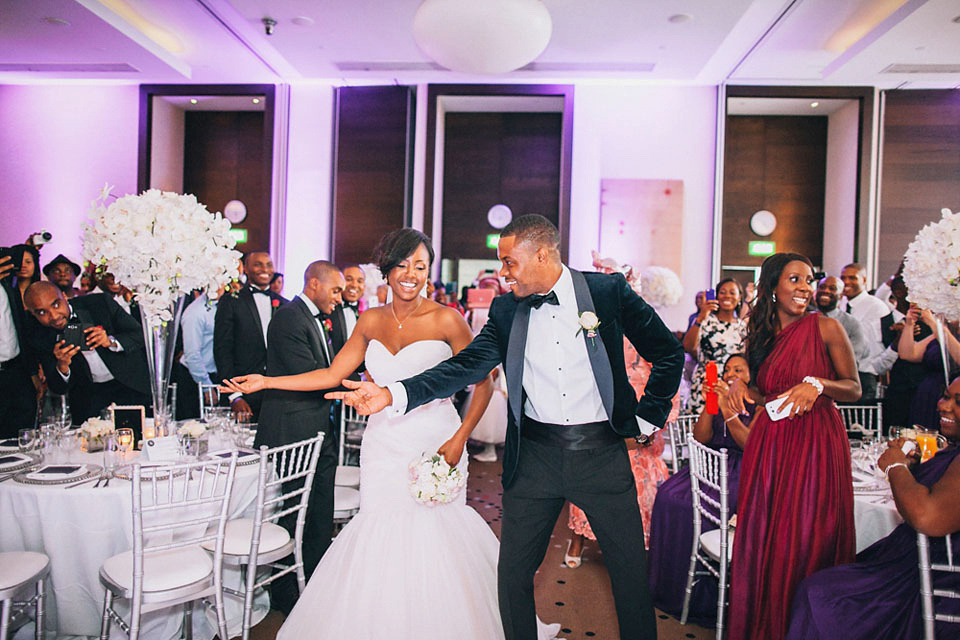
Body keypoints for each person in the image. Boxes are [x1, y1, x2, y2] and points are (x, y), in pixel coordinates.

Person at [329, 215, 685, 640]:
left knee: (629, 575)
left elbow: (668, 353)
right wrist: (394, 394)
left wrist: (645, 418)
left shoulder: (607, 293)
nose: (503, 273)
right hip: (535, 458)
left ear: (541, 254)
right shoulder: (506, 309)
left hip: (602, 455)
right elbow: (463, 367)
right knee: (512, 574)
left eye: (509, 263)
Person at [222, 229, 558, 640]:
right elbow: (331, 374)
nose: (411, 274)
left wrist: (460, 439)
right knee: (379, 529)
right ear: (387, 270)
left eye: (420, 266)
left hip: (436, 439)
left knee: (437, 532)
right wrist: (268, 383)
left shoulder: (447, 319)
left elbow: (485, 380)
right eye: (402, 265)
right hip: (382, 445)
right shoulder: (370, 320)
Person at [725, 252, 861, 640]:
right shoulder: (760, 335)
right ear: (772, 287)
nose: (805, 288)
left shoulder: (827, 328)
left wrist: (818, 384)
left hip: (816, 445)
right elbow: (764, 395)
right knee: (769, 540)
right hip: (771, 445)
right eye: (795, 280)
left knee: (806, 538)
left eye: (809, 280)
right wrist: (741, 387)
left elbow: (854, 387)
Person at [786, 376, 960, 639]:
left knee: (817, 594)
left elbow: (927, 515)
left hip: (928, 586)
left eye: (957, 401)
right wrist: (913, 470)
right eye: (945, 396)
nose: (943, 406)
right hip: (909, 564)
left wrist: (895, 467)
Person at [254, 261, 346, 616]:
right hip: (293, 432)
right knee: (296, 514)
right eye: (335, 290)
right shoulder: (290, 317)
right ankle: (285, 593)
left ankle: (314, 584)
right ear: (313, 284)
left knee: (319, 512)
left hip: (317, 429)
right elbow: (311, 375)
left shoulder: (312, 317)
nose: (339, 298)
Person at [648, 354, 754, 624]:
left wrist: (728, 410)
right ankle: (670, 586)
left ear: (751, 377)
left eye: (738, 369)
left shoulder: (757, 405)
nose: (730, 374)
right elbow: (700, 438)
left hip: (743, 467)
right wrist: (711, 405)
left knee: (700, 506)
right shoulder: (717, 400)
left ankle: (707, 595)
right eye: (727, 369)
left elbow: (751, 446)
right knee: (669, 496)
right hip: (709, 463)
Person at [23, 282, 151, 427]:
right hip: (89, 401)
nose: (53, 316)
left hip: (131, 385)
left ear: (64, 296)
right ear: (32, 313)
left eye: (56, 305)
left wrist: (110, 341)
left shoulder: (99, 303)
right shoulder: (39, 335)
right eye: (41, 312)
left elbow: (140, 335)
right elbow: (57, 387)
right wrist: (62, 365)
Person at [213, 251, 286, 422]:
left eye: (269, 265)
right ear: (245, 268)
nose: (264, 269)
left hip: (277, 395)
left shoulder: (284, 304)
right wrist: (235, 396)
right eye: (258, 264)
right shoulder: (231, 301)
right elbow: (222, 351)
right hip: (245, 393)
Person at [683, 278, 746, 416]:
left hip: (731, 387)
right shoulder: (706, 321)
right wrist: (701, 316)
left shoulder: (743, 327)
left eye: (732, 292)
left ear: (739, 297)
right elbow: (688, 347)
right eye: (722, 292)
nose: (727, 296)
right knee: (700, 432)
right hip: (706, 385)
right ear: (716, 296)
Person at [898, 307, 960, 429]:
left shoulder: (942, 332)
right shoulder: (940, 333)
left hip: (953, 397)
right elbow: (907, 354)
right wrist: (910, 323)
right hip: (928, 395)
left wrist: (933, 323)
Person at [841, 262, 893, 402]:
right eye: (843, 278)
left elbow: (886, 343)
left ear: (864, 280)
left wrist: (875, 368)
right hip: (840, 376)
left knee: (859, 422)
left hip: (864, 375)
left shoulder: (877, 307)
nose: (846, 282)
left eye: (852, 278)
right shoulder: (840, 305)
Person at [0, 253, 38, 438]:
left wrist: (32, 372)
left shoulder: (9, 285)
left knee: (23, 435)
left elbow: (21, 329)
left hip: (17, 371)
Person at [815, 275, 871, 370]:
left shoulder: (852, 324)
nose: (826, 291)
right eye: (822, 287)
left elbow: (851, 361)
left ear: (840, 295)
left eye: (832, 288)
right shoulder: (803, 319)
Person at [340, 265, 366, 338]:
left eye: (359, 281)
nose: (354, 285)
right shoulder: (329, 310)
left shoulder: (367, 313)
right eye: (349, 279)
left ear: (364, 286)